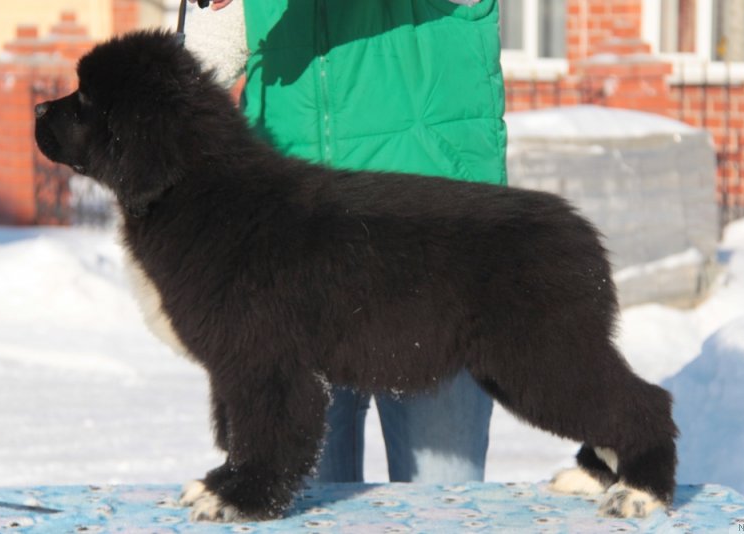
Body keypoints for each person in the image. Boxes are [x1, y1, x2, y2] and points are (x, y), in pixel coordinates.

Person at [185, 0, 506, 483]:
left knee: (445, 504)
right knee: (299, 504)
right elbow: (202, 63)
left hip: (430, 248)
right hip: (291, 259)